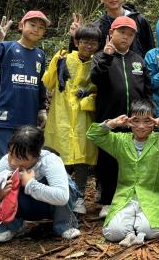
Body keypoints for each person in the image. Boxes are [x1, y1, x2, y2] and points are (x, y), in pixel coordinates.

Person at [86, 100, 159, 246]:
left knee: (150, 229)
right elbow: (94, 135)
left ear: (154, 122)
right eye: (136, 121)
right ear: (129, 121)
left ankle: (137, 228)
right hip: (126, 196)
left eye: (147, 121)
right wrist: (112, 123)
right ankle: (131, 232)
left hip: (152, 196)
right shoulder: (120, 141)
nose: (141, 126)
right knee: (112, 232)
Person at [91, 16, 152, 218]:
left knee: (133, 161)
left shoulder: (138, 59)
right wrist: (107, 56)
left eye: (130, 33)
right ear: (111, 33)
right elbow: (96, 79)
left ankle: (133, 197)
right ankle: (107, 201)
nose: (126, 37)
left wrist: (149, 114)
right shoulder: (101, 56)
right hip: (110, 119)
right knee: (108, 161)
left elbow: (146, 89)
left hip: (135, 122)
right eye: (121, 32)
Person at [0, 11, 50, 168]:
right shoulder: (6, 47)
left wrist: (41, 110)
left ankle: (19, 193)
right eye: (32, 25)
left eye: (41, 27)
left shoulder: (40, 55)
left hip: (29, 121)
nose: (36, 29)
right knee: (1, 163)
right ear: (21, 26)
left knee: (25, 163)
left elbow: (41, 84)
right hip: (5, 118)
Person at [0, 126, 80, 242]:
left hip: (50, 206)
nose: (13, 162)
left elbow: (62, 197)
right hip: (27, 206)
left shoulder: (49, 160)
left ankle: (64, 224)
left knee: (64, 186)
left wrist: (30, 183)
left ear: (37, 155)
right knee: (3, 183)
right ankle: (9, 226)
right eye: (10, 154)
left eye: (20, 157)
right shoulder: (5, 163)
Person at [43, 24, 101, 215]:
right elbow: (49, 83)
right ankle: (62, 196)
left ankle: (80, 197)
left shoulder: (97, 63)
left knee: (82, 160)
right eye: (85, 42)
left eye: (93, 43)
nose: (89, 46)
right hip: (63, 116)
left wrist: (86, 98)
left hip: (84, 117)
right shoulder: (64, 58)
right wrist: (56, 64)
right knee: (62, 157)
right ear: (77, 42)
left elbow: (98, 92)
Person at [68, 0, 155, 57]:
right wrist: (76, 37)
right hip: (107, 72)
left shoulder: (139, 20)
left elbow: (150, 51)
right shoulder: (98, 26)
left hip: (136, 71)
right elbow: (83, 56)